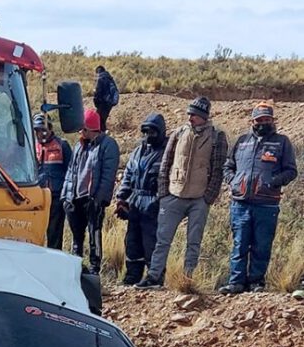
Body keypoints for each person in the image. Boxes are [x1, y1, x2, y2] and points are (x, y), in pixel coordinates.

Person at [136, 97, 227, 289]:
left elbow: (218, 170)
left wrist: (208, 198)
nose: (190, 117)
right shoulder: (178, 133)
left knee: (193, 242)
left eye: (194, 114)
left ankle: (187, 280)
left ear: (203, 116)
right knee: (162, 240)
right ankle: (154, 277)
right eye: (189, 113)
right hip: (173, 195)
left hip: (199, 199)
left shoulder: (217, 137)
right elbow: (166, 163)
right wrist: (164, 194)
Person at [219, 102, 298, 294]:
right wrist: (234, 181)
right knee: (239, 244)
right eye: (259, 119)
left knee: (261, 245)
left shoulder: (282, 142)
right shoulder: (241, 141)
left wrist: (273, 182)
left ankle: (256, 283)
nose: (263, 123)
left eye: (267, 119)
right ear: (252, 121)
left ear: (272, 120)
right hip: (240, 203)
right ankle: (236, 282)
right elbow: (228, 166)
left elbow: (291, 171)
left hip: (267, 204)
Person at [61, 108, 120, 273]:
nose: (80, 131)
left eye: (82, 128)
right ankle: (76, 265)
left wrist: (99, 199)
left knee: (94, 234)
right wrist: (66, 197)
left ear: (89, 128)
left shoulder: (108, 145)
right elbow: (71, 171)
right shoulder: (79, 145)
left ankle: (95, 267)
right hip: (75, 198)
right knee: (76, 236)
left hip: (92, 198)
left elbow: (108, 176)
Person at [115, 113, 167, 285]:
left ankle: (155, 277)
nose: (148, 136)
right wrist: (121, 198)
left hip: (154, 200)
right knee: (132, 240)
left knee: (151, 241)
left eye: (152, 132)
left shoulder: (167, 152)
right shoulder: (138, 151)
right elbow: (128, 175)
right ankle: (132, 276)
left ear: (160, 132)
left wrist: (160, 200)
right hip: (135, 200)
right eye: (145, 132)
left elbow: (169, 179)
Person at [33, 113, 73, 249]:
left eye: (43, 130)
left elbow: (71, 172)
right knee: (35, 234)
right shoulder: (32, 147)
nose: (40, 134)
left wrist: (67, 196)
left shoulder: (62, 145)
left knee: (54, 234)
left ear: (50, 129)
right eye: (37, 131)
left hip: (56, 197)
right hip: (37, 197)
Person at [93, 66, 119, 132]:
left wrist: (96, 102)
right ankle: (103, 133)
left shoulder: (101, 78)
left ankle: (101, 135)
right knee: (102, 120)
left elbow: (98, 92)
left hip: (103, 103)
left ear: (98, 72)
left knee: (97, 120)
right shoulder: (110, 78)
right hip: (109, 103)